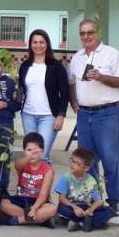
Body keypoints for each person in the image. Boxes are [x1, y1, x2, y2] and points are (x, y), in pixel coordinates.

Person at [68, 18, 119, 217]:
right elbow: (72, 82)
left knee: (110, 160)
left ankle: (113, 201)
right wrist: (73, 101)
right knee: (87, 161)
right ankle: (95, 199)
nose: (86, 36)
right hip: (84, 115)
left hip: (107, 114)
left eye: (90, 32)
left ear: (98, 34)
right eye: (83, 33)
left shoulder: (112, 54)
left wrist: (101, 76)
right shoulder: (77, 57)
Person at [18, 29, 69, 163]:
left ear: (47, 44)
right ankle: (31, 184)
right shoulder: (25, 66)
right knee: (31, 156)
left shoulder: (56, 66)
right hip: (28, 115)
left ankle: (44, 184)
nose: (38, 45)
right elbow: (22, 89)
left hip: (48, 116)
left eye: (41, 42)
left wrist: (61, 115)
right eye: (35, 42)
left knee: (42, 155)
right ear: (30, 44)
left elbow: (65, 92)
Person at [0, 132, 56, 228]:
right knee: (3, 204)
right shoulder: (21, 163)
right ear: (24, 151)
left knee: (53, 209)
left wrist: (34, 208)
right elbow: (18, 165)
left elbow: (43, 195)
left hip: (38, 201)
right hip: (21, 199)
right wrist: (29, 156)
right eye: (29, 150)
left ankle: (16, 220)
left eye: (36, 151)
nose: (32, 154)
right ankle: (40, 220)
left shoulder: (48, 170)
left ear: (42, 151)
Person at [55, 147, 114, 232]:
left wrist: (90, 210)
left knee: (110, 211)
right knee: (61, 208)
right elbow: (61, 198)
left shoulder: (92, 181)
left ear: (86, 168)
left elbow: (98, 200)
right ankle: (89, 223)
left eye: (77, 163)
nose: (72, 164)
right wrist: (74, 207)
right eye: (72, 161)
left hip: (86, 207)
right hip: (71, 206)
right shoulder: (66, 177)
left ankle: (78, 223)